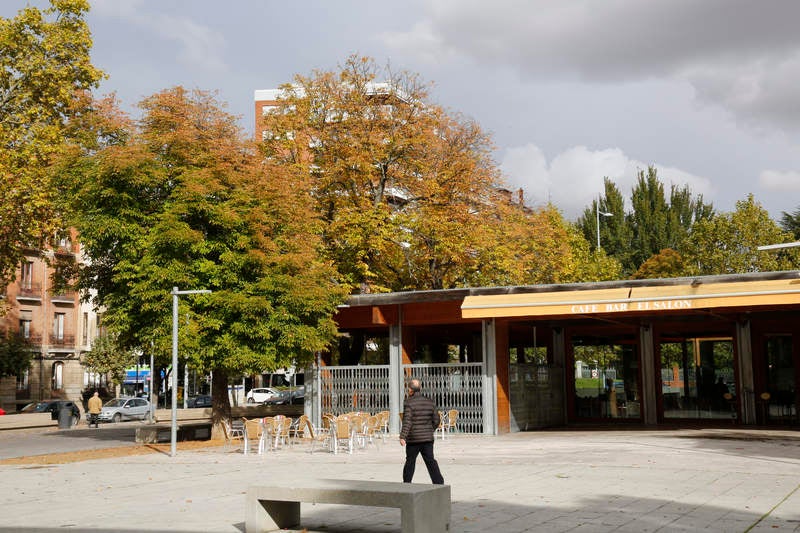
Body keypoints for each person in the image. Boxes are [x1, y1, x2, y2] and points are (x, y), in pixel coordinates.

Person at [399, 379, 445, 484]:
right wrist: (430, 430)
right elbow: (437, 420)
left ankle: (407, 482)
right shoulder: (430, 402)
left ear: (410, 390)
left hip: (413, 439)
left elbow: (407, 421)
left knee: (410, 461)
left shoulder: (408, 403)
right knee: (430, 461)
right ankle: (439, 482)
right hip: (427, 439)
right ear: (420, 388)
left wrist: (403, 436)